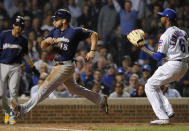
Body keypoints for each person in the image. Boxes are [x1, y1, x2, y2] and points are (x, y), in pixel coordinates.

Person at [10, 9, 108, 118]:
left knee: (44, 87)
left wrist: (92, 51)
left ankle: (22, 109)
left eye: (56, 19)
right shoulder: (54, 31)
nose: (54, 21)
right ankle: (100, 100)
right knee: (74, 89)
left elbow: (94, 34)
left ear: (64, 20)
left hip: (66, 65)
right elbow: (42, 46)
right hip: (57, 65)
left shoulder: (74, 31)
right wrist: (47, 41)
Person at [130, 8, 189, 125]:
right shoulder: (183, 32)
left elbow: (157, 57)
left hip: (173, 65)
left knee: (149, 86)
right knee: (154, 85)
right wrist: (171, 56)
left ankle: (163, 117)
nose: (160, 18)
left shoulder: (166, 34)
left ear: (167, 19)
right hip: (184, 65)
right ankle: (168, 110)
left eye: (162, 16)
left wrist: (143, 48)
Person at [0, 16, 39, 125]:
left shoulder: (23, 40)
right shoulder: (4, 35)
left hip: (16, 66)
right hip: (2, 65)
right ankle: (7, 111)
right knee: (1, 93)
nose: (18, 27)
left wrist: (33, 67)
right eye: (17, 25)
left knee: (13, 91)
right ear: (13, 25)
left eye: (21, 26)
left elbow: (26, 55)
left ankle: (13, 113)